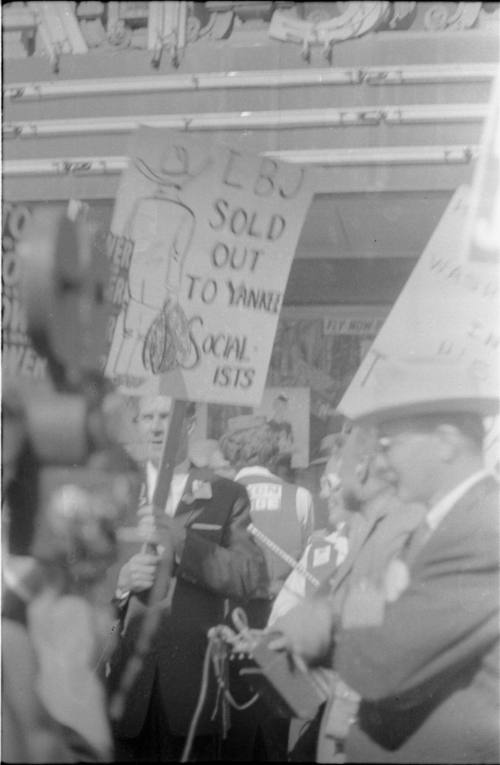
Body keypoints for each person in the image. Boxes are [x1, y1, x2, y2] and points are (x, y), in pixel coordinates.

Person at [269, 356, 500, 764]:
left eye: (393, 445)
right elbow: (380, 617)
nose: (385, 462)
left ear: (445, 441)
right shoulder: (444, 522)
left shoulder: (483, 528)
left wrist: (317, 626)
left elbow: (382, 663)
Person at [107, 395, 268, 762]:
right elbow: (80, 573)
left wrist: (181, 541)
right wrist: (121, 581)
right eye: (148, 416)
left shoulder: (227, 494)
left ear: (190, 422)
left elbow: (249, 576)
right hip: (126, 686)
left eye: (167, 415)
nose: (157, 425)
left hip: (193, 687)